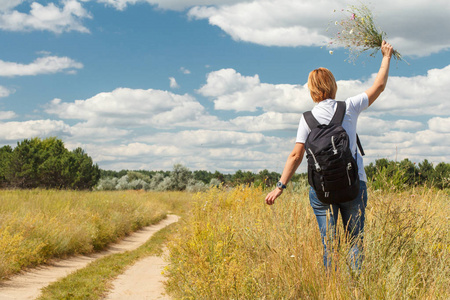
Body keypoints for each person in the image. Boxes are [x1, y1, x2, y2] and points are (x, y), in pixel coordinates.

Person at [265, 41, 394, 270]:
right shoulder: (350, 107)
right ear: (333, 86)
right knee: (355, 241)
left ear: (311, 89)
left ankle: (330, 289)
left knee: (329, 244)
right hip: (354, 184)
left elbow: (296, 155)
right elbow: (380, 86)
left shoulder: (307, 118)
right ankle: (355, 289)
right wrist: (386, 56)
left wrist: (280, 186)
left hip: (321, 190)